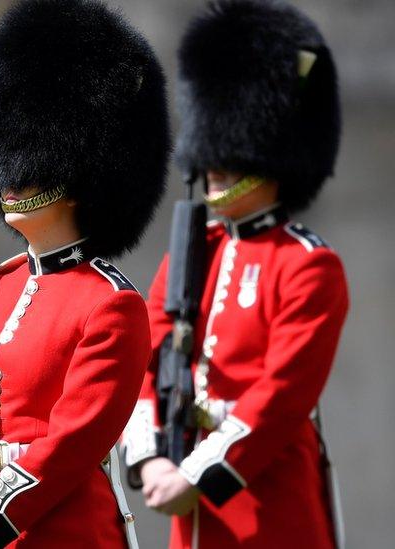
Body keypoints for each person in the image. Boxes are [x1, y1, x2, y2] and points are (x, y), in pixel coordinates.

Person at [0, 0, 170, 547]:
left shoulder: (111, 304)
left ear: (80, 172)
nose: (15, 181)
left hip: (66, 531)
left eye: (35, 167)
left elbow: (72, 442)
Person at [121, 1, 347, 547]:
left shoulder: (307, 266)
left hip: (267, 509)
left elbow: (281, 397)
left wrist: (196, 474)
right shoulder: (194, 254)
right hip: (188, 508)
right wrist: (150, 457)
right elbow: (144, 359)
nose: (216, 166)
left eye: (234, 153)